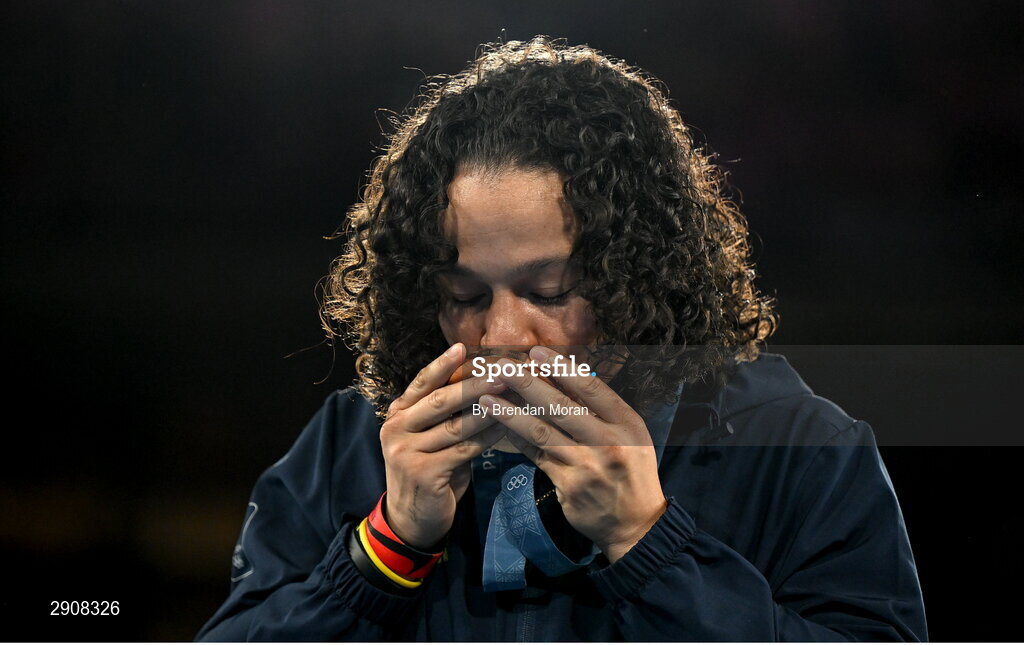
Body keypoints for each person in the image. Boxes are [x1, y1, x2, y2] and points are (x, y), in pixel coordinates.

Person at [196, 38, 927, 641]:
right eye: (465, 296)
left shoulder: (799, 446)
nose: (504, 336)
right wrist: (386, 547)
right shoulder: (355, 442)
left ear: (638, 272)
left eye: (550, 292)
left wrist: (650, 546)